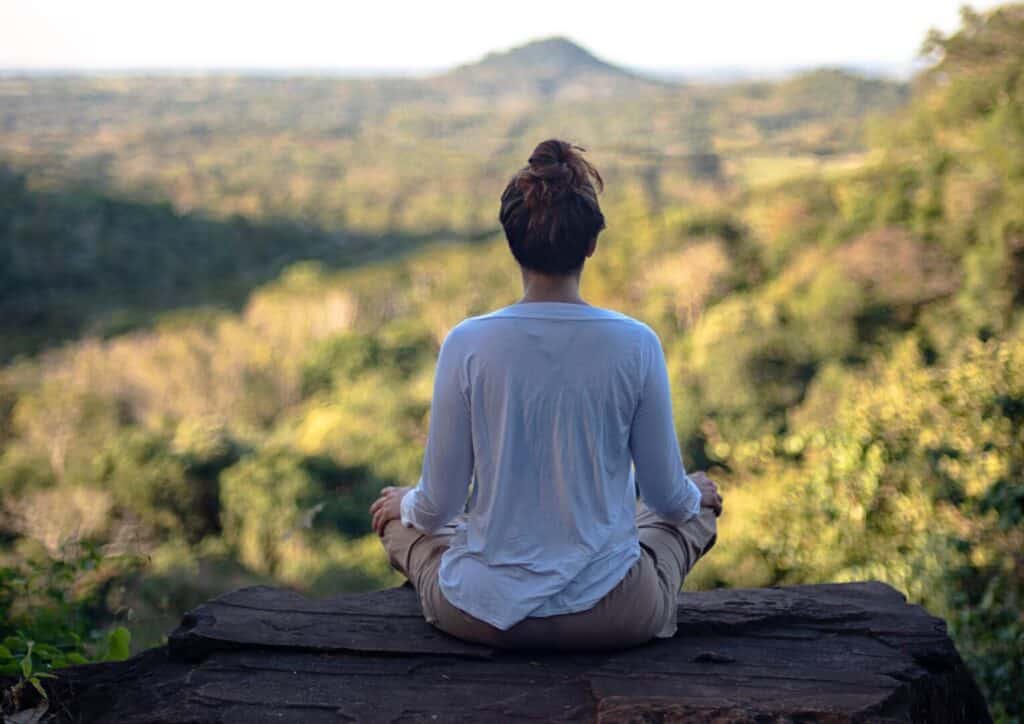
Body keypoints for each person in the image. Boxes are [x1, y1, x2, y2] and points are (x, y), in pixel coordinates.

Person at [369, 138, 722, 651]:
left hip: (481, 614)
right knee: (693, 506)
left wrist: (408, 503)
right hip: (615, 615)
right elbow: (667, 500)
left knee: (400, 522)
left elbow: (439, 507)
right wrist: (694, 494)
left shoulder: (467, 342)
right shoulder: (636, 342)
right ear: (591, 244)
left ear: (512, 241)